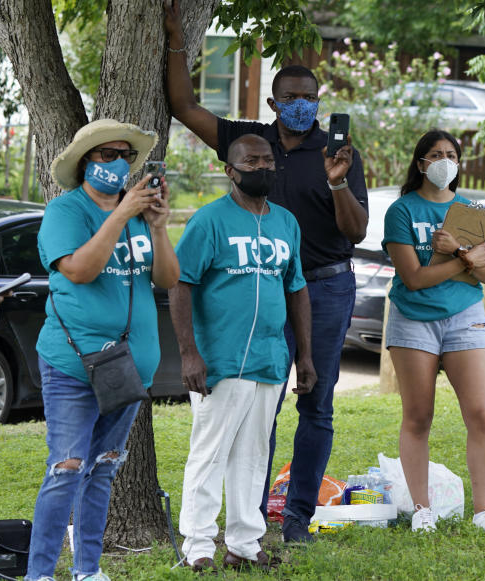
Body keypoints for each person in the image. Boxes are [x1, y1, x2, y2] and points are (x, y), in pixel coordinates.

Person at [164, 0, 368, 543]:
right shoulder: (249, 143)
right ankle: (250, 522)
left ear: (320, 103)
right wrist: (175, 34)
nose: (302, 106)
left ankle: (297, 517)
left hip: (321, 287)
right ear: (274, 102)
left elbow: (357, 233)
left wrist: (338, 181)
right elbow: (183, 105)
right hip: (256, 291)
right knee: (259, 411)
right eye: (292, 99)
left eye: (311, 99)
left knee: (316, 403)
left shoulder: (339, 151)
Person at [25, 119, 180, 581]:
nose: (117, 163)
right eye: (105, 154)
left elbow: (168, 279)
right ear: (85, 162)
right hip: (74, 365)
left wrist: (157, 227)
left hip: (129, 368)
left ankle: (87, 570)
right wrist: (120, 212)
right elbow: (80, 270)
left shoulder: (138, 218)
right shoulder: (65, 211)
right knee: (66, 467)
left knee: (104, 468)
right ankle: (39, 574)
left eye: (125, 156)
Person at [172, 134, 316, 572]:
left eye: (268, 160)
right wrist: (189, 354)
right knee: (211, 453)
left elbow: (296, 288)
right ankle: (197, 546)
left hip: (270, 359)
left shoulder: (286, 223)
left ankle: (245, 544)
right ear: (230, 171)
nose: (262, 167)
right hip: (220, 360)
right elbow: (181, 285)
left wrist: (305, 355)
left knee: (253, 456)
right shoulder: (209, 221)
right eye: (250, 161)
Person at [382, 129, 485, 536]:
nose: (443, 161)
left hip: (464, 317)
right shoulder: (402, 211)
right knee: (418, 417)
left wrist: (458, 251)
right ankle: (422, 509)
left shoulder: (470, 210)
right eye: (435, 154)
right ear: (420, 163)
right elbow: (415, 278)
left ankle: (484, 511)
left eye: (451, 154)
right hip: (414, 318)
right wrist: (465, 260)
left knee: (482, 414)